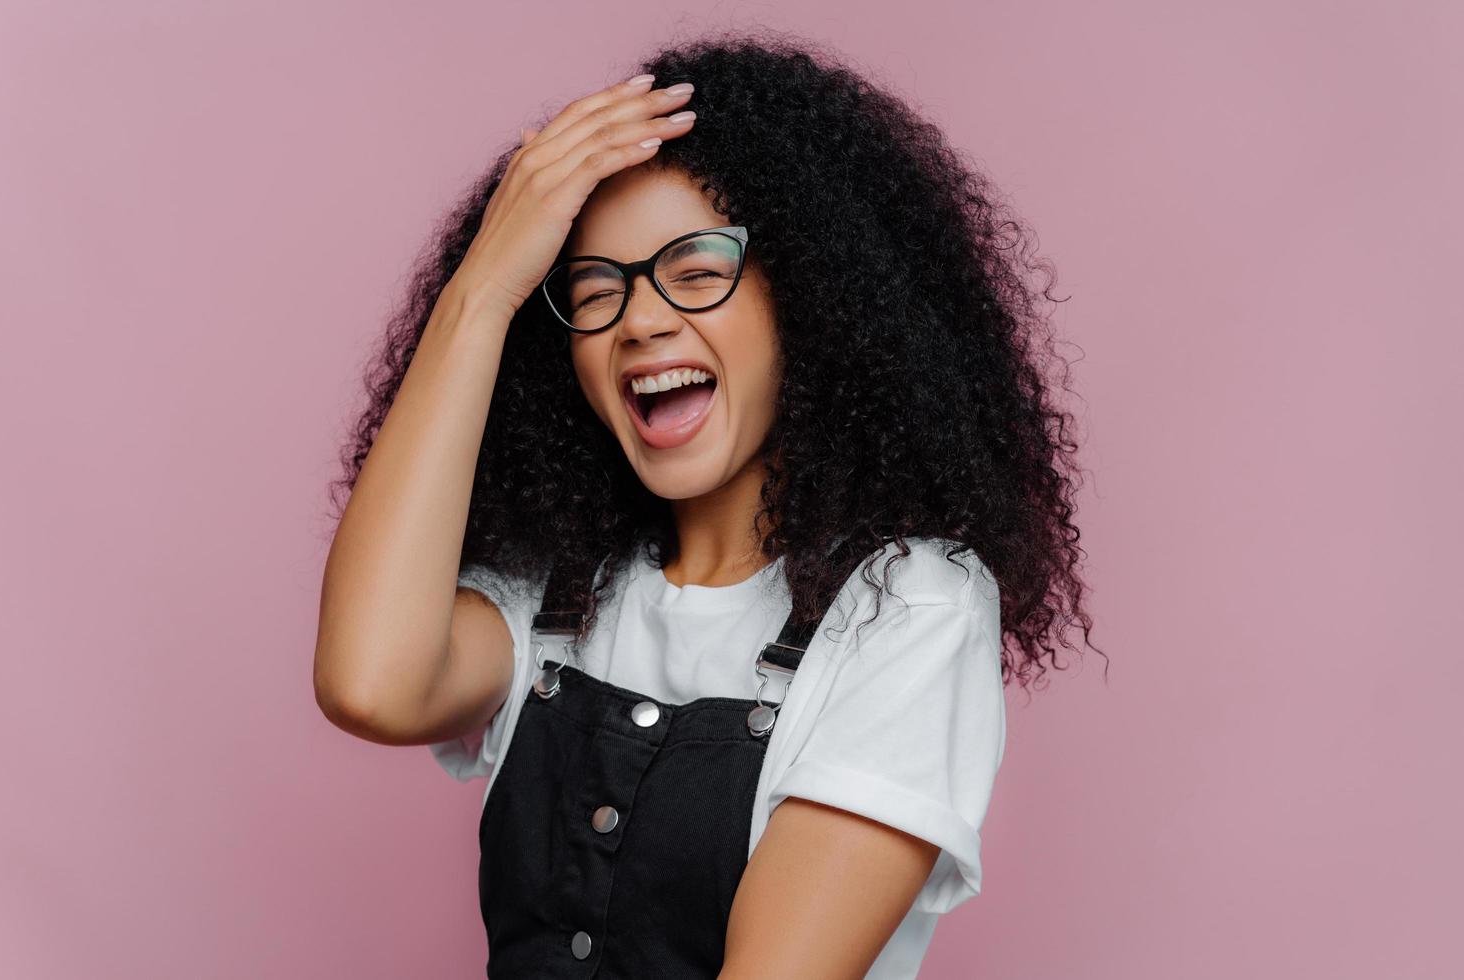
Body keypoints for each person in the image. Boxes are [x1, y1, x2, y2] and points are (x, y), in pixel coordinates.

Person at [315, 31, 1101, 980]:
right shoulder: (560, 595)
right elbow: (370, 683)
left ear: (811, 297)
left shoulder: (907, 607)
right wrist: (483, 289)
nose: (641, 320)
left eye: (696, 271)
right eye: (592, 290)